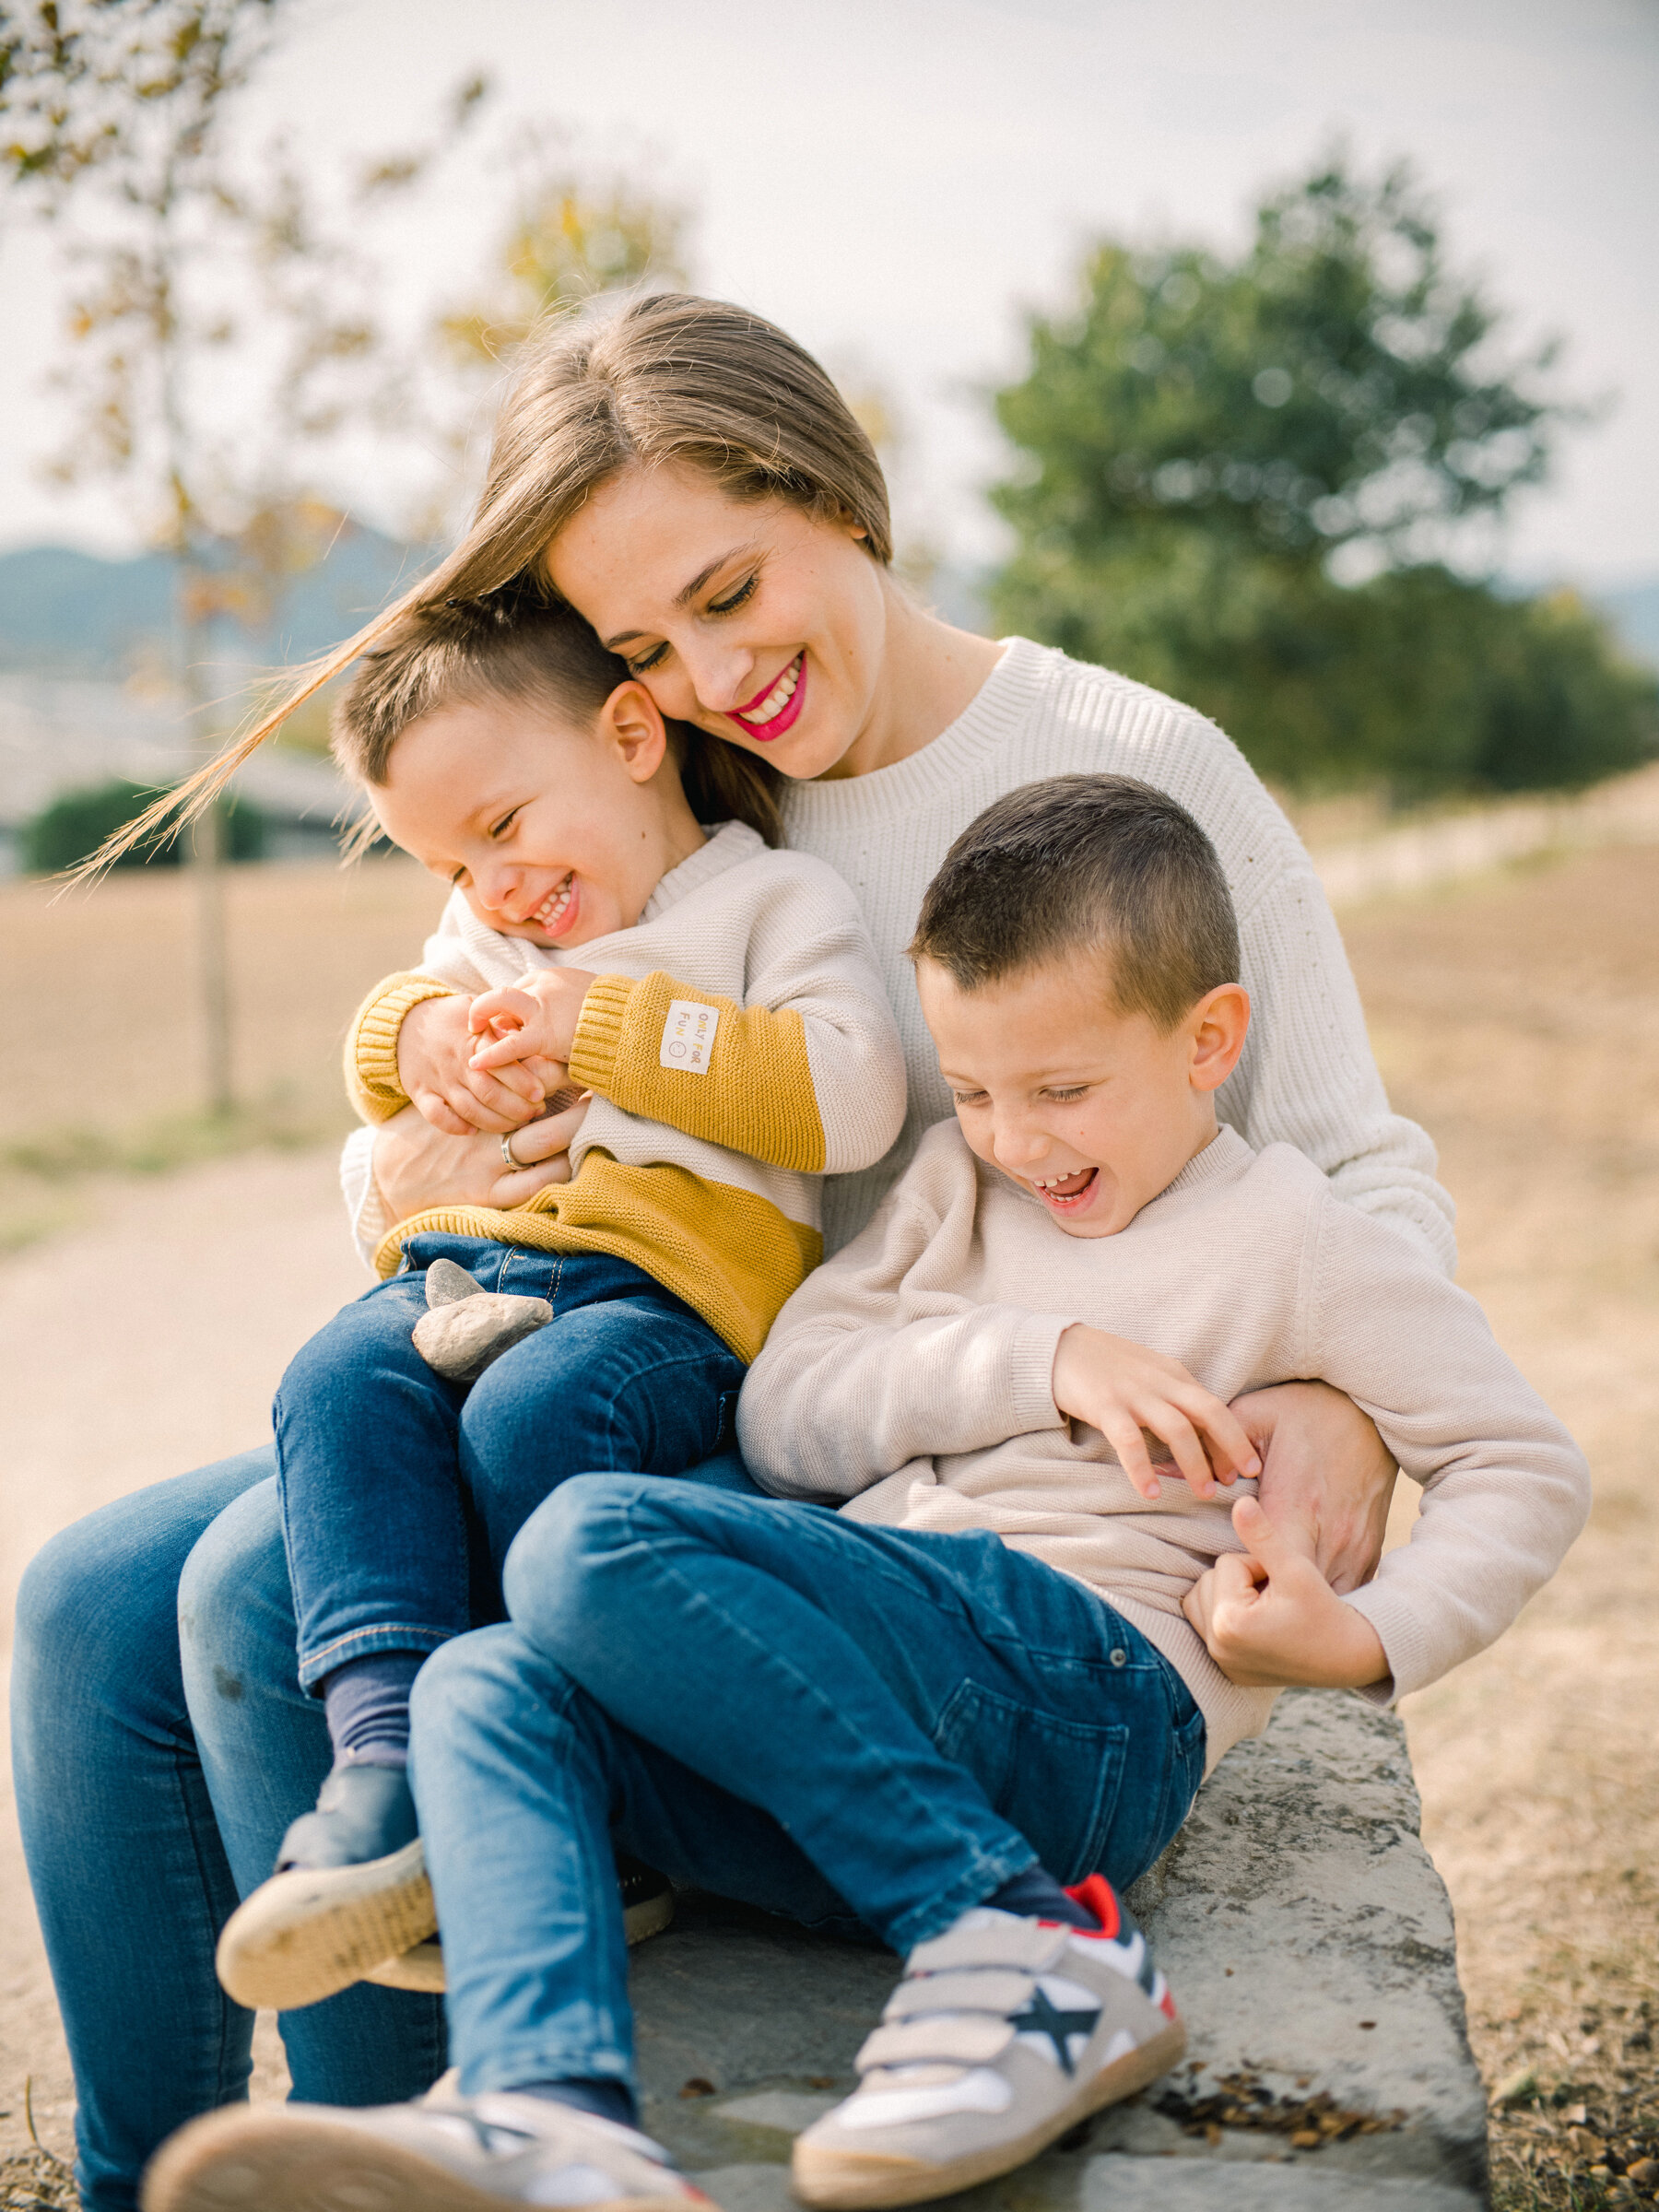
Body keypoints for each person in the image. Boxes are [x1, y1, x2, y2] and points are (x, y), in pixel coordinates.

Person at [14, 293, 1449, 2212]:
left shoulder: (1118, 765)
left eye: (728, 587)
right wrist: (419, 1148)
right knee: (77, 1605)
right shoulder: (658, 794)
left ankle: (441, 2108)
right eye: (639, 644)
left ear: (834, 491)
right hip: (638, 1340)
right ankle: (136, 2178)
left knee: (237, 1603)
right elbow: (417, 1139)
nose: (708, 673)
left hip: (800, 1431)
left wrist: (1342, 1402)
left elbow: (1360, 1161)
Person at [141, 777, 1586, 2212]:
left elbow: (1521, 1463)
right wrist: (1041, 1362)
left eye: (1063, 1089)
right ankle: (555, 2119)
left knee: (584, 1535)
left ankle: (1025, 1945)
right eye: (972, 1091)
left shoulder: (1294, 1241)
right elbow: (787, 1413)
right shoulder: (962, 1189)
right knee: (485, 1687)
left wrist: (1361, 1641)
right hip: (880, 1715)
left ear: (1208, 1039)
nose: (1018, 1140)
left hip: (1091, 1692)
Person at [212, 588, 905, 2017]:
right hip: (462, 1270)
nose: (492, 889)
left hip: (663, 1307)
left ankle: (584, 1781)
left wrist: (596, 1022)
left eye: (506, 829)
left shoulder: (769, 904)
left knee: (541, 1410)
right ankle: (385, 1771)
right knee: (334, 1384)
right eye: (452, 864)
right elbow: (387, 1038)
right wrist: (421, 1039)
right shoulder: (490, 944)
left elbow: (849, 1095)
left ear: (634, 734)